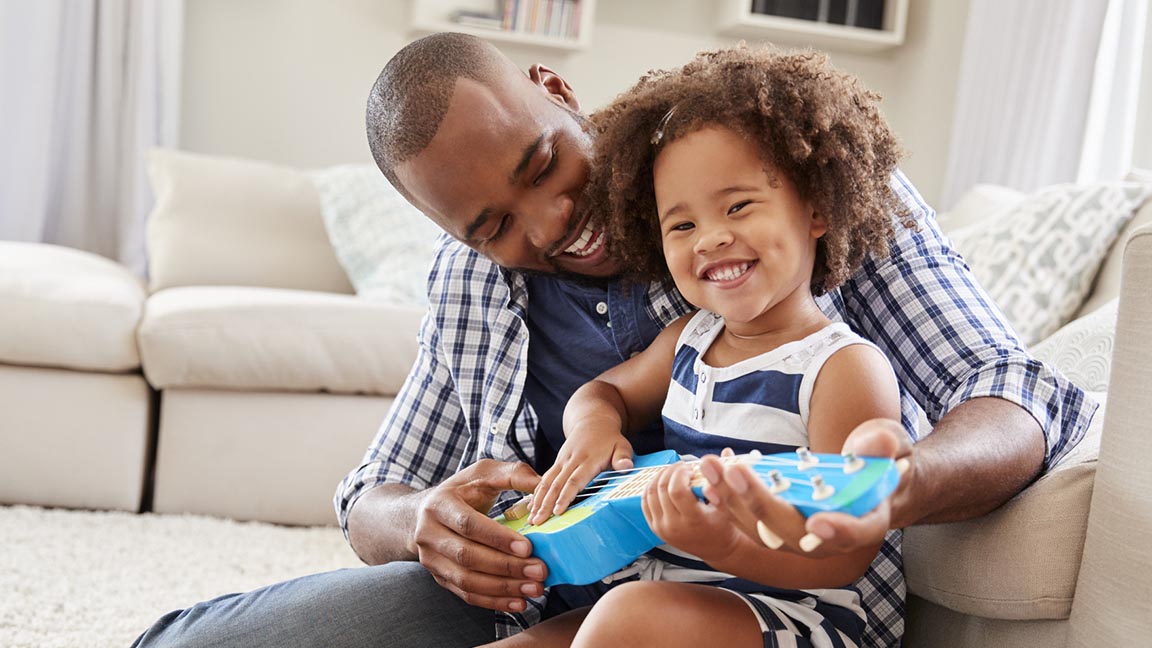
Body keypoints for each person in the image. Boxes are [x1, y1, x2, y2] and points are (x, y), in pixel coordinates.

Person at [132, 32, 1095, 648]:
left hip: (746, 597)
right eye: (493, 225)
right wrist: (426, 523)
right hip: (539, 585)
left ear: (556, 89)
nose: (546, 226)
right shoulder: (474, 278)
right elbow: (369, 497)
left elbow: (1008, 385)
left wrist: (893, 487)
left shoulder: (773, 183)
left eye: (546, 164)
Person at [488, 44, 905, 648]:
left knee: (624, 619)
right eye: (682, 225)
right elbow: (603, 392)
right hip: (677, 595)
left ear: (816, 207)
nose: (710, 238)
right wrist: (592, 427)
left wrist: (726, 543)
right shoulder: (690, 336)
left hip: (799, 616)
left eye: (738, 206)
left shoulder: (843, 369)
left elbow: (845, 553)